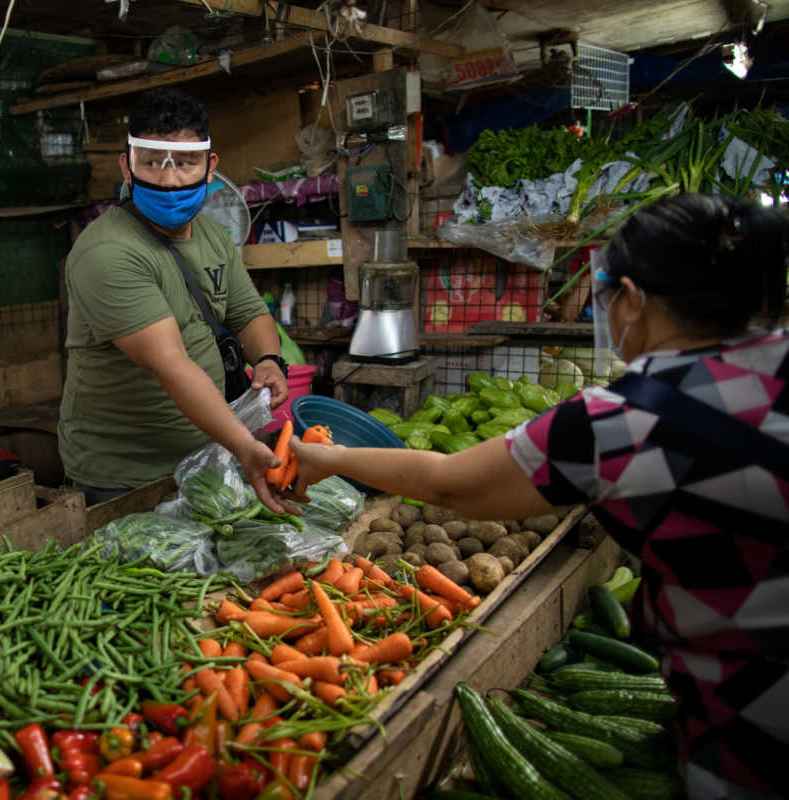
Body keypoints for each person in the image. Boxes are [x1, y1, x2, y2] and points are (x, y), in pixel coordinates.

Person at [287, 194, 789, 800]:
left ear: (631, 297)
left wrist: (326, 459)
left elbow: (452, 484)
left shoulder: (632, 417)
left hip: (753, 724)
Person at [58, 88, 292, 510]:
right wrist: (244, 445)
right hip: (124, 480)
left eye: (185, 163)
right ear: (127, 166)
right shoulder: (107, 252)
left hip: (205, 460)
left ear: (209, 167)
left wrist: (269, 361)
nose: (169, 180)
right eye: (152, 162)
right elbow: (168, 363)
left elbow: (249, 312)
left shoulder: (211, 236)